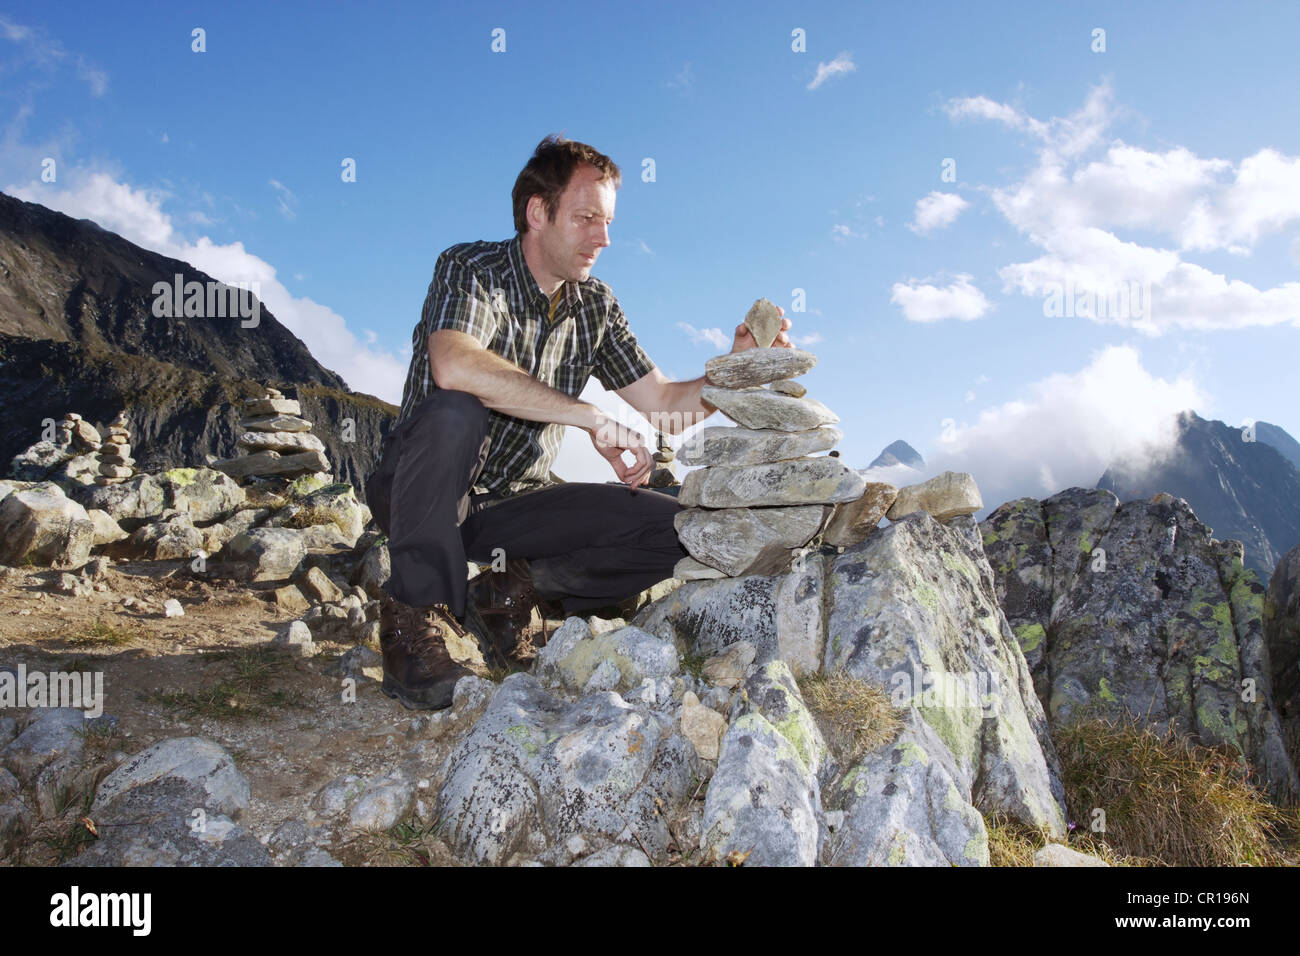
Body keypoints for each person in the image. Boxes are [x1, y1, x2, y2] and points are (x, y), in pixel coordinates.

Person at [366, 134, 793, 710]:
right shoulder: (470, 267)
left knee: (680, 527)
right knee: (455, 409)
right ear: (537, 212)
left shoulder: (596, 307)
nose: (604, 237)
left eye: (608, 220)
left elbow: (667, 405)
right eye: (587, 216)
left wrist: (734, 373)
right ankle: (411, 620)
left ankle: (509, 594)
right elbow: (452, 363)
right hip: (426, 491)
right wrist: (589, 418)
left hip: (513, 507)